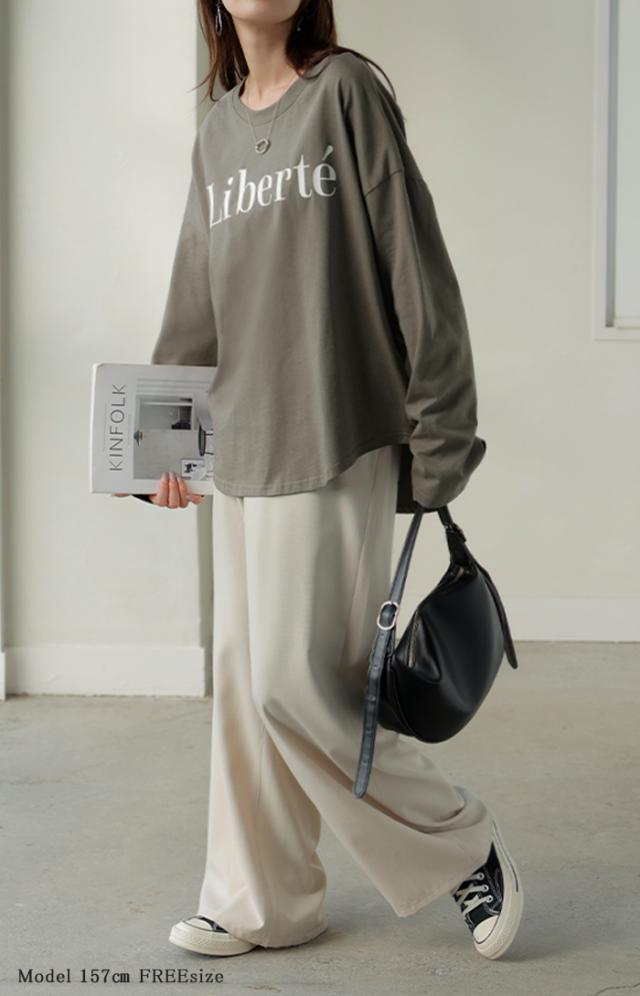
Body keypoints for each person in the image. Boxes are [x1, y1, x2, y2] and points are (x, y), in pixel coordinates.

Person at [115, 0, 524, 962]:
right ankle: (258, 901)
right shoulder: (217, 132)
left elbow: (418, 267)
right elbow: (195, 302)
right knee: (242, 689)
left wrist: (442, 433)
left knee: (294, 685)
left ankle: (461, 842)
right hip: (240, 446)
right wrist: (157, 453)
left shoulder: (346, 92)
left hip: (339, 432)